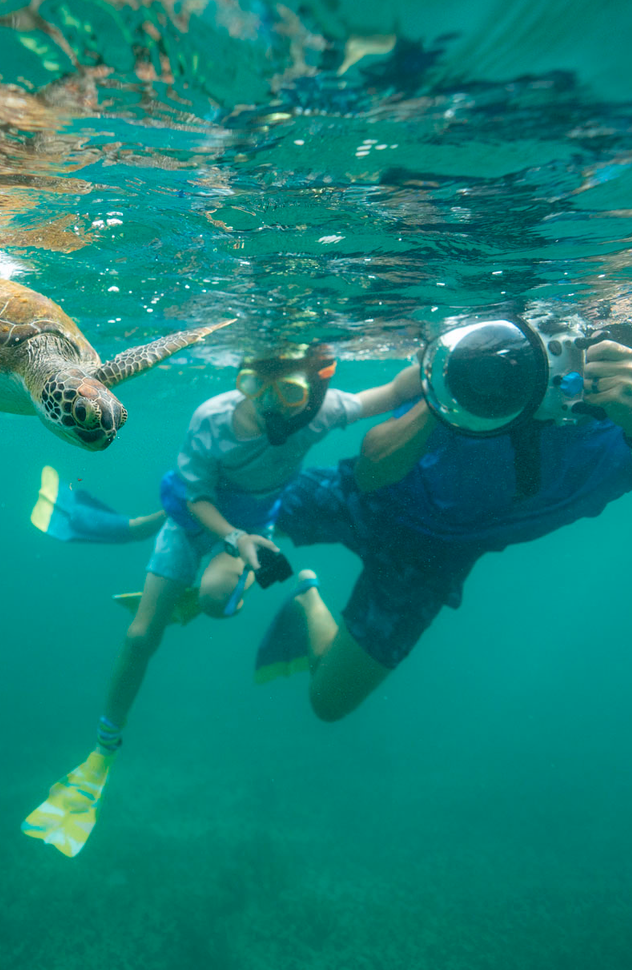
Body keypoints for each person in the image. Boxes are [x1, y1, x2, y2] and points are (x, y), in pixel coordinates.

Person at [22, 344, 423, 856]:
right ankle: (102, 753)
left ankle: (174, 573)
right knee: (141, 634)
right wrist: (235, 540)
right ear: (246, 382)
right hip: (198, 516)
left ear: (312, 391)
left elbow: (390, 393)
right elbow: (196, 499)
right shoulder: (212, 420)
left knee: (215, 601)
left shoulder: (321, 414)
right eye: (259, 390)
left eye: (292, 392)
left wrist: (439, 362)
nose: (273, 407)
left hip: (254, 523)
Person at [258, 317, 632, 723]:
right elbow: (370, 474)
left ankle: (308, 600)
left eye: (598, 344)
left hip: (435, 558)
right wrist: (456, 389)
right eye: (559, 341)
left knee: (327, 702)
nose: (573, 363)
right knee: (217, 517)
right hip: (365, 497)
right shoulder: (480, 365)